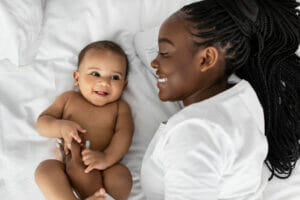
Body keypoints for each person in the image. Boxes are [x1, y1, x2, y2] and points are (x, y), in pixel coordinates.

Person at [141, 0, 300, 199]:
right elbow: (141, 42)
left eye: (164, 53)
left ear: (207, 58)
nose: (154, 62)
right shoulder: (241, 93)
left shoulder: (194, 133)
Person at [34, 40, 134, 200]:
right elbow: (42, 123)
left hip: (102, 171)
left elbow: (124, 135)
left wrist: (106, 158)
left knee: (121, 175)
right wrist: (61, 127)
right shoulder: (68, 99)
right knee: (45, 170)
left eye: (115, 77)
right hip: (67, 169)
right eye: (95, 74)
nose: (105, 82)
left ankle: (105, 198)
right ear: (76, 77)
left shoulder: (120, 108)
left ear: (124, 85)